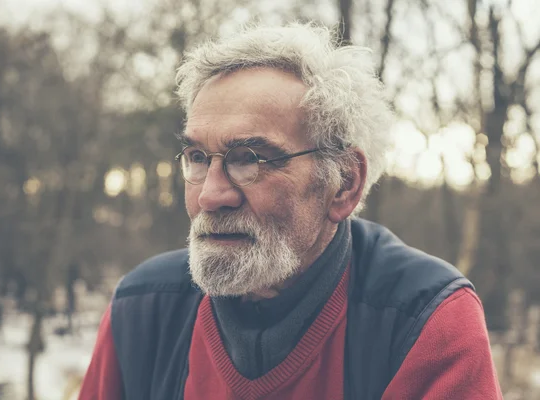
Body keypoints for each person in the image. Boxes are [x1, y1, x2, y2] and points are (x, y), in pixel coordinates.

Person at [79, 23, 502, 400]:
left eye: (248, 158)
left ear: (343, 184)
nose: (210, 195)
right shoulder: (142, 312)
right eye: (196, 156)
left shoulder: (422, 321)